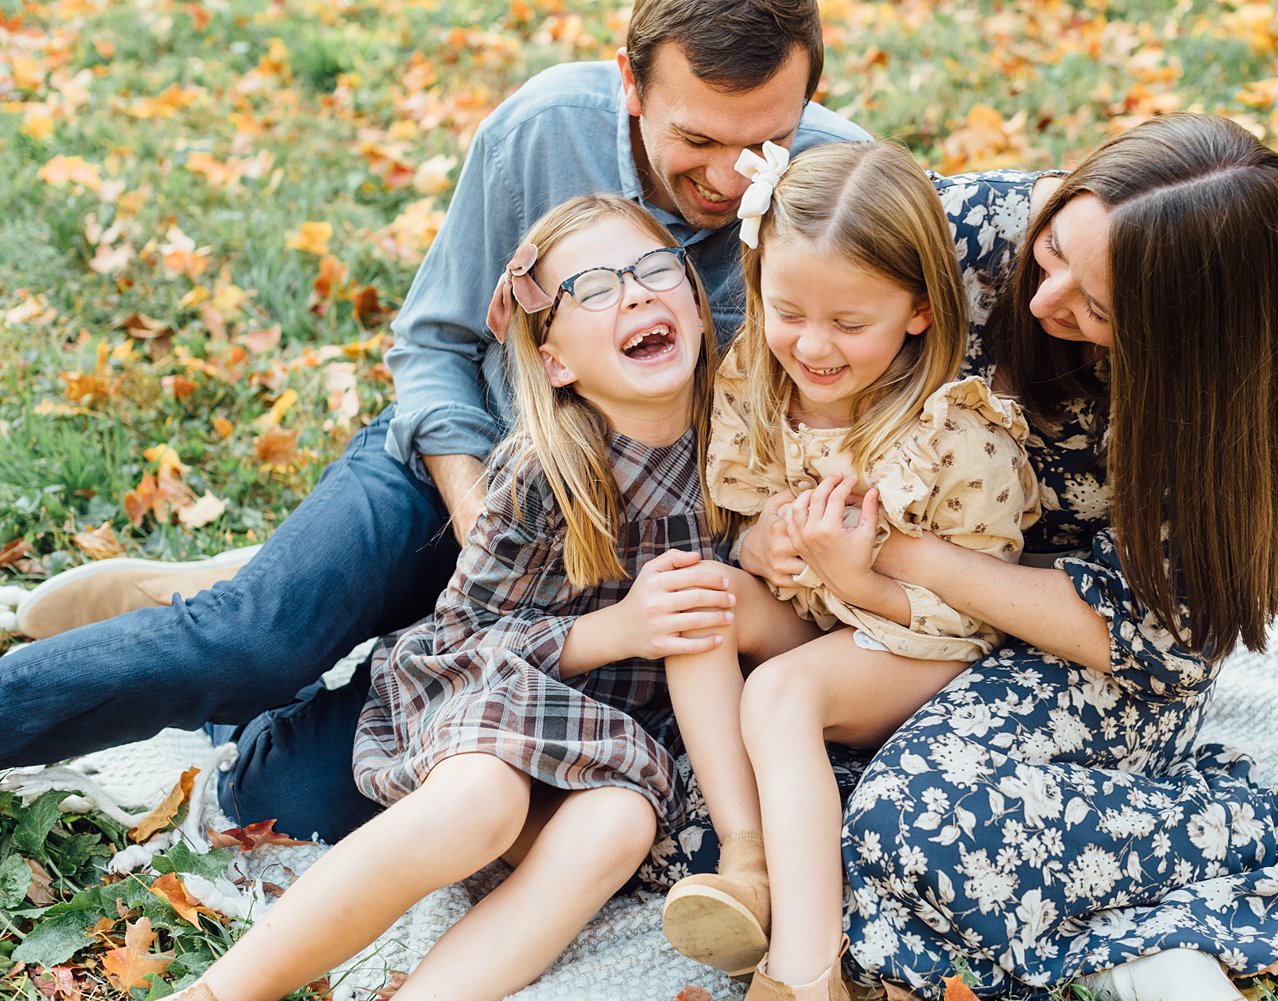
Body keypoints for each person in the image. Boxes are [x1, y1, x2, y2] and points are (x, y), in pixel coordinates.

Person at [0, 0, 868, 842]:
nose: (727, 178)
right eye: (697, 140)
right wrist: (476, 511)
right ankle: (255, 605)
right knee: (254, 644)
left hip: (628, 555)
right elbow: (433, 342)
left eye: (763, 142)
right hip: (464, 466)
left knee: (293, 795)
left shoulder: (843, 188)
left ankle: (328, 625)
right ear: (630, 86)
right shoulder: (542, 129)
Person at [781, 115, 1278, 1000]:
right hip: (901, 619)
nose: (1045, 305)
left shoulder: (1222, 398)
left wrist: (907, 557)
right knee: (735, 803)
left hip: (1087, 647)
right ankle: (1140, 945)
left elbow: (1155, 643)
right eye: (1052, 255)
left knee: (907, 820)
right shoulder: (955, 235)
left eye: (1097, 309)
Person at [167, 193, 744, 1001]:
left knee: (618, 826)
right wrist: (615, 630)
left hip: (616, 745)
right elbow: (461, 636)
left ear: (696, 299)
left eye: (656, 270)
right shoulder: (545, 475)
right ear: (555, 362)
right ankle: (220, 994)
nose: (639, 294)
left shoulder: (744, 447)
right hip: (494, 700)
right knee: (481, 803)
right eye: (597, 288)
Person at [654, 140, 1040, 1001]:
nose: (812, 346)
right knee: (696, 597)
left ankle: (804, 967)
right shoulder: (757, 373)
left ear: (919, 310)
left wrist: (859, 579)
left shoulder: (957, 437)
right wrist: (762, 547)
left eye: (848, 322)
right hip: (822, 617)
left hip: (917, 647)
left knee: (779, 694)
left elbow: (981, 619)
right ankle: (747, 855)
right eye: (788, 310)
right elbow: (745, 512)